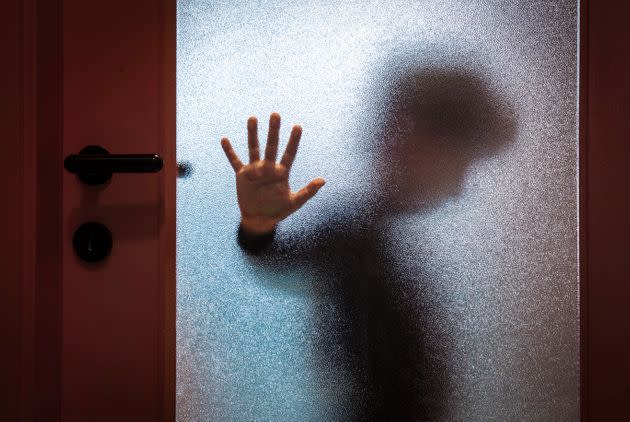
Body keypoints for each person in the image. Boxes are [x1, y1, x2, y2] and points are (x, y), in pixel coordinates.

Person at [220, 67, 516, 420]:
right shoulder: (354, 231)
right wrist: (258, 224)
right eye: (459, 164)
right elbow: (279, 256)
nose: (457, 189)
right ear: (412, 137)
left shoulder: (385, 234)